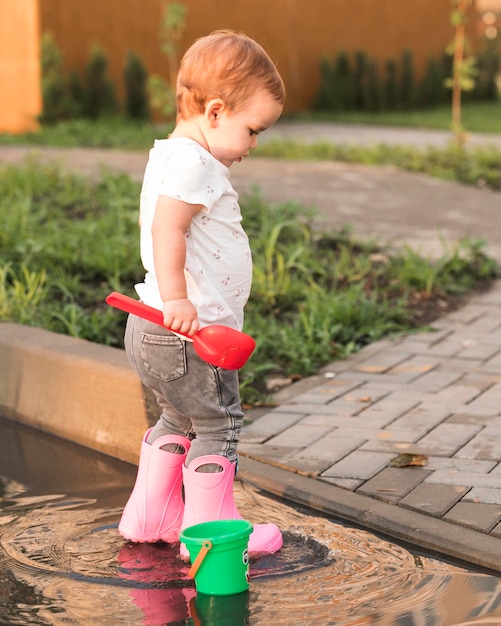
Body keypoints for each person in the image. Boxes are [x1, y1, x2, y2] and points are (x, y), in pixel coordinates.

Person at [118, 30, 285, 557]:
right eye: (252, 130)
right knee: (219, 423)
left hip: (150, 329)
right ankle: (210, 538)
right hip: (191, 332)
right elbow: (170, 229)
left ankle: (151, 519)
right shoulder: (196, 163)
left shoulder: (172, 155)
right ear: (215, 112)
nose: (253, 144)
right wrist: (179, 300)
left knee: (176, 419)